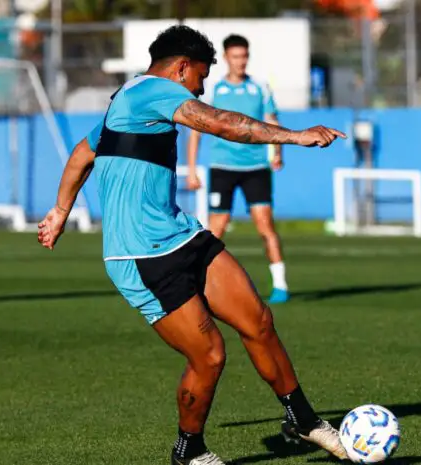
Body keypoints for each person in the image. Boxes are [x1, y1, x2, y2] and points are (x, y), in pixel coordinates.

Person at [37, 25, 347, 465]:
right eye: (200, 77)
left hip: (181, 235)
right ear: (181, 68)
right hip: (140, 255)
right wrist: (295, 137)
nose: (201, 87)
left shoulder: (128, 103)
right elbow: (222, 123)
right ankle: (189, 450)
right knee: (210, 355)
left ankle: (303, 419)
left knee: (257, 320)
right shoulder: (150, 93)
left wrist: (60, 211)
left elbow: (82, 154)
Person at [186, 34, 291, 304]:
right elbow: (196, 130)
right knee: (216, 228)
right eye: (235, 57)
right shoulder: (214, 90)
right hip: (223, 168)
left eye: (244, 56)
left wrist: (277, 152)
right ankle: (202, 284)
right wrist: (192, 169)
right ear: (226, 59)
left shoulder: (259, 88)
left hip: (256, 167)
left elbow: (271, 121)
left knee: (265, 226)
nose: (240, 62)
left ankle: (280, 285)